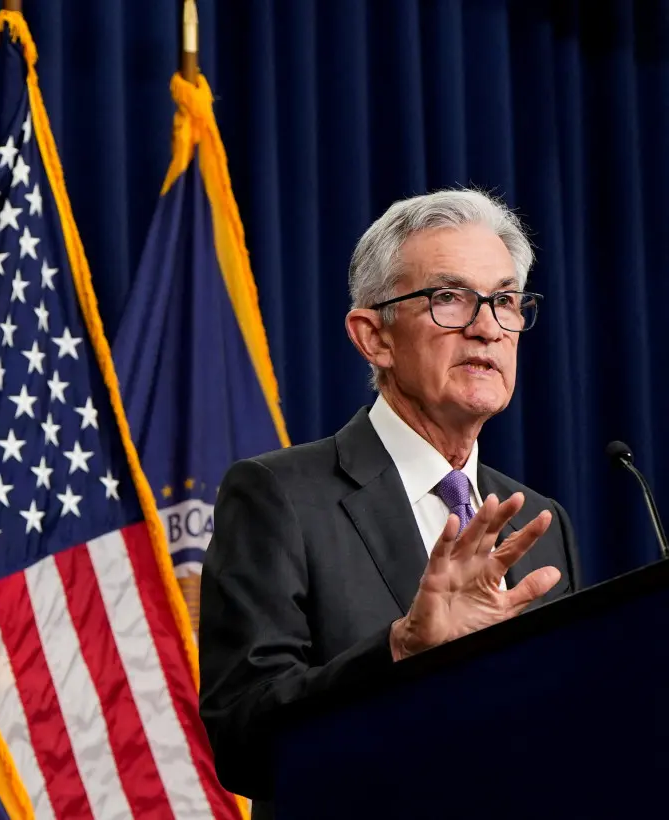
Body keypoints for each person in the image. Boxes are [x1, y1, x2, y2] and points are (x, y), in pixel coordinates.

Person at [198, 188, 582, 804]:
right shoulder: (280, 497)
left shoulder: (540, 523)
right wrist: (400, 651)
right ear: (373, 336)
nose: (487, 327)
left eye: (505, 301)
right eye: (450, 298)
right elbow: (245, 741)